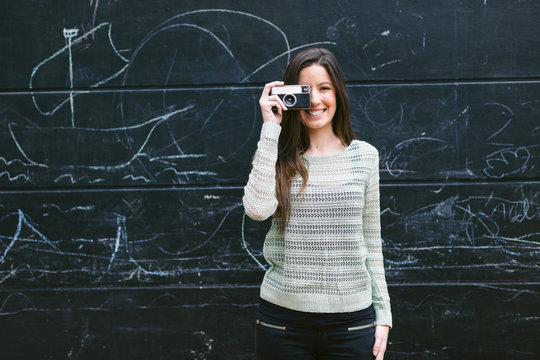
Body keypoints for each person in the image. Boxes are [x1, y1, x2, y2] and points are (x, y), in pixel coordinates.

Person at [243, 48, 392, 360]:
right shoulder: (274, 154)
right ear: (288, 95)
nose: (314, 101)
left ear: (338, 92)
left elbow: (371, 242)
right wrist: (271, 128)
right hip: (282, 324)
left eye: (324, 88)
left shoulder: (365, 156)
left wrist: (384, 317)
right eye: (304, 91)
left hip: (352, 325)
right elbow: (256, 211)